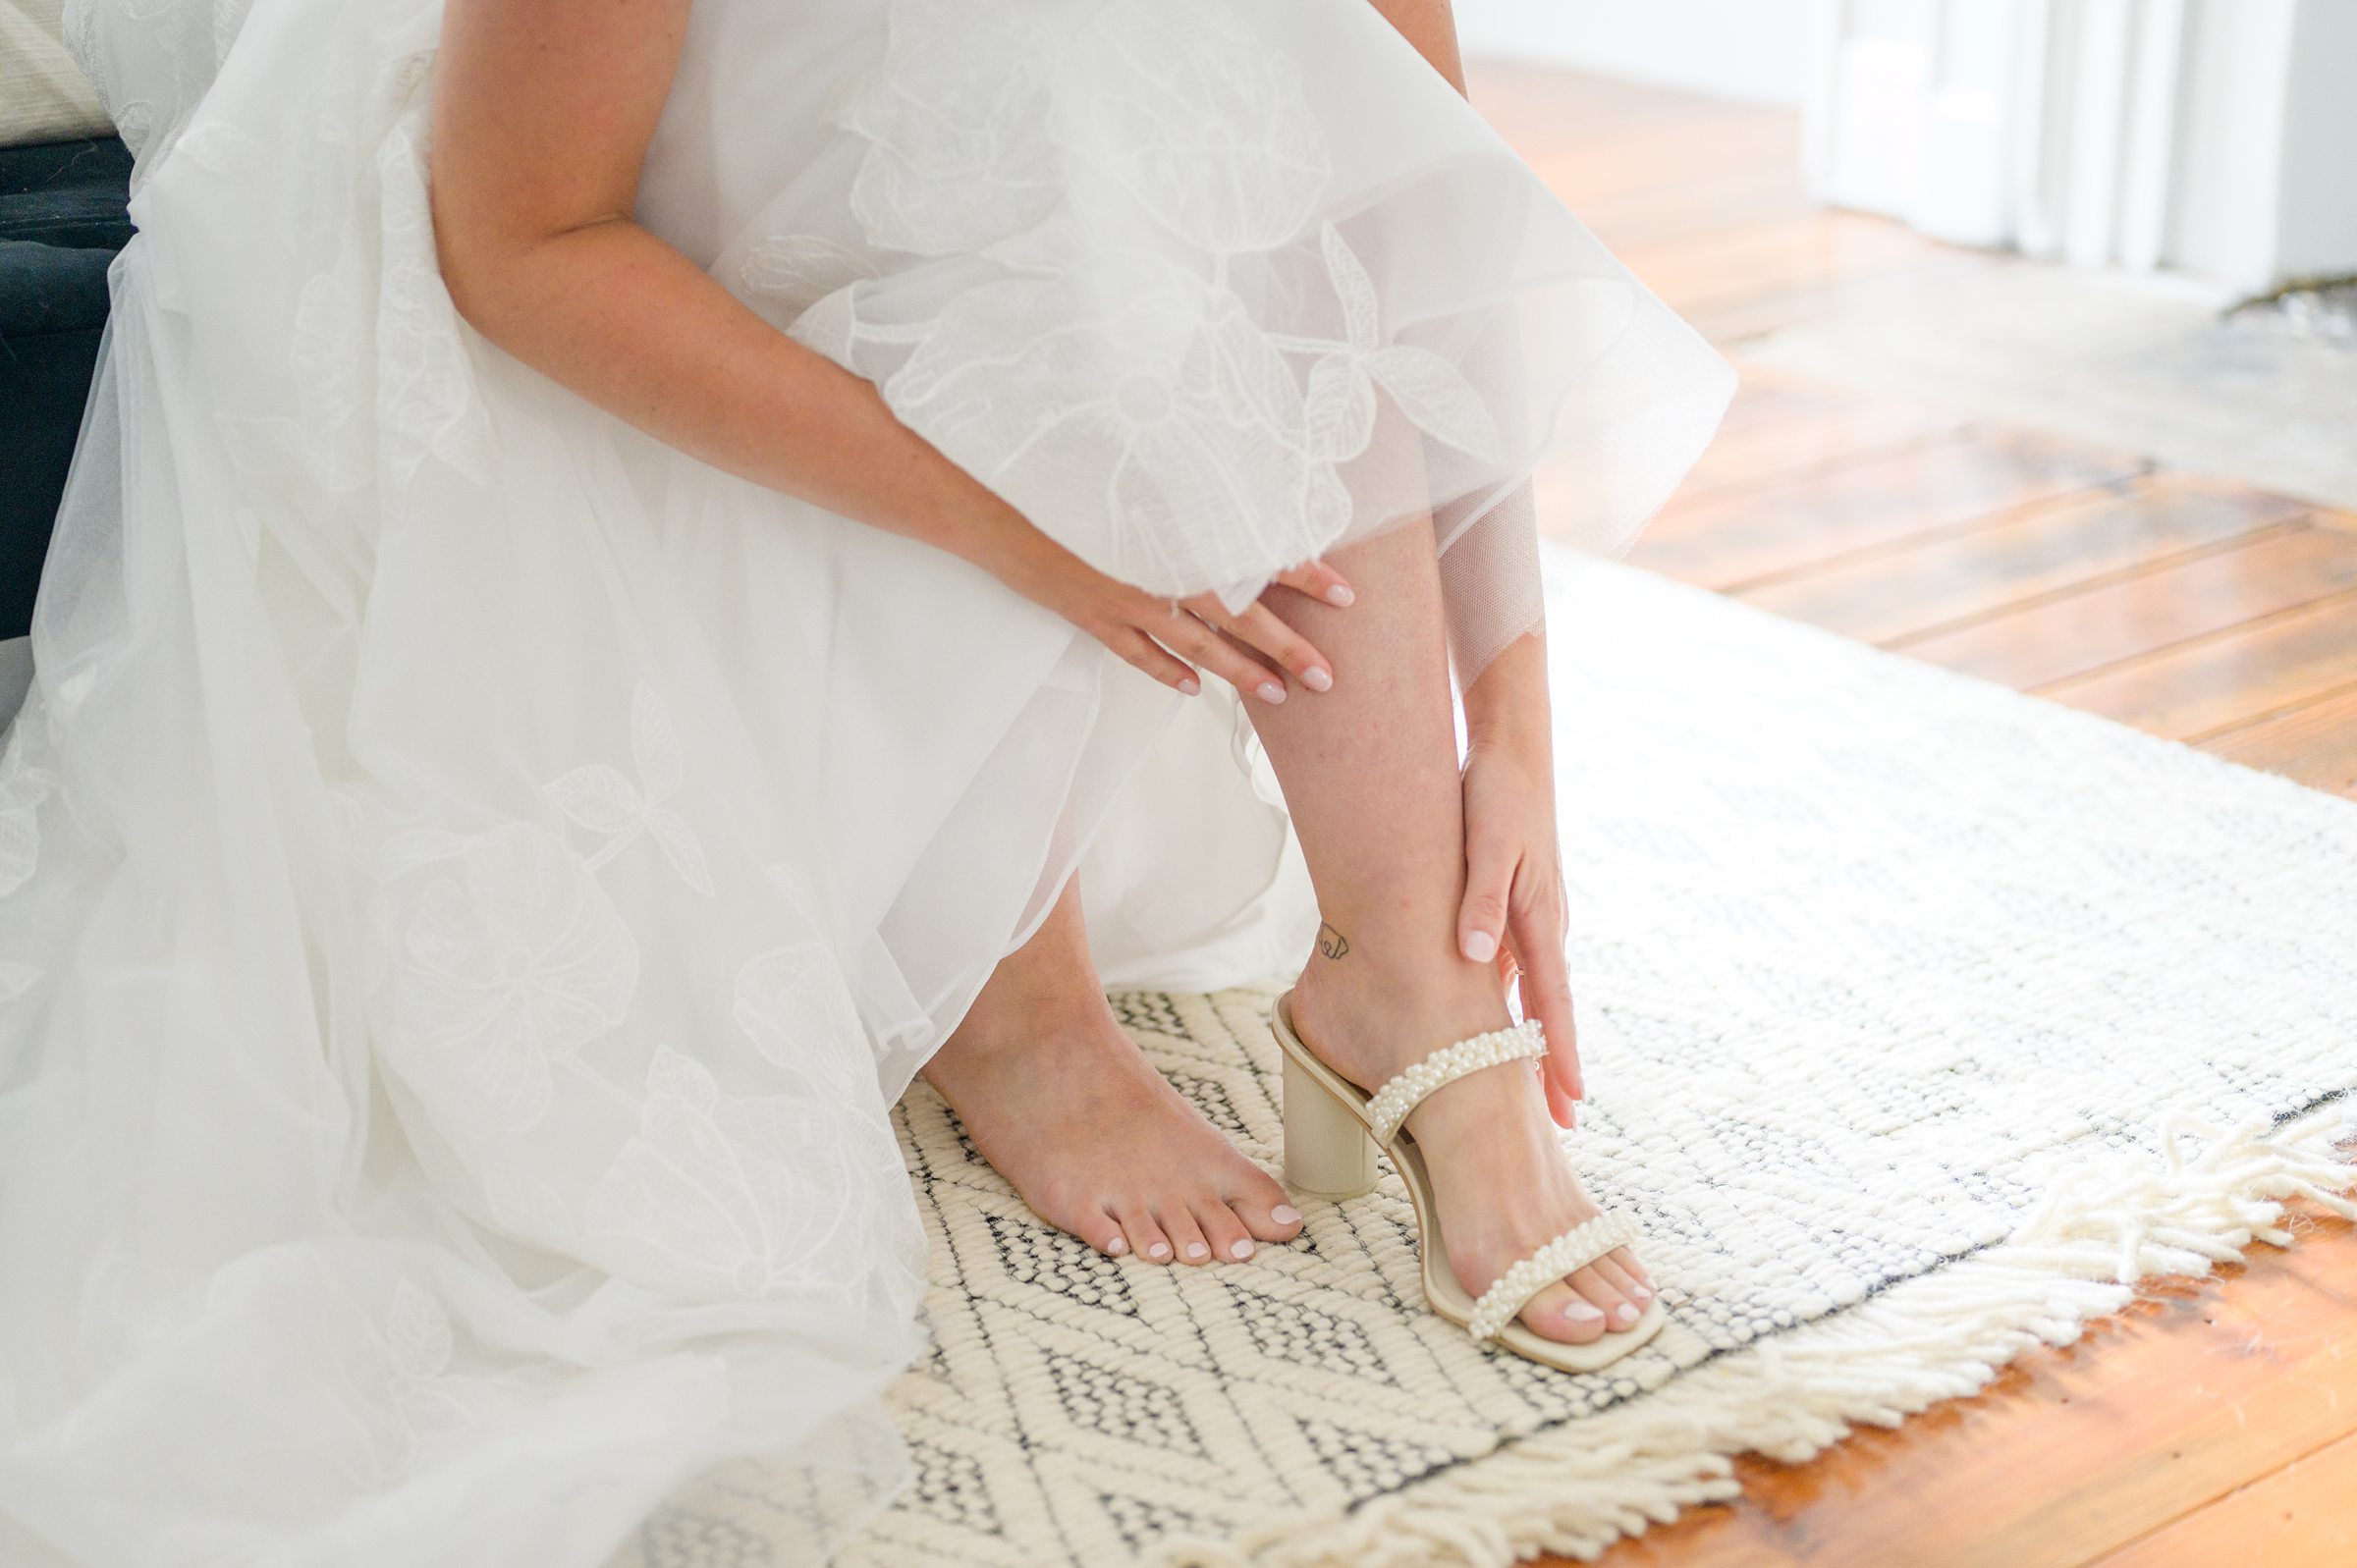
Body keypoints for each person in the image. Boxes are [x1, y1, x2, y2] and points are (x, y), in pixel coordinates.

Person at [0, 0, 1734, 1562]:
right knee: (1036, 92)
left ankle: (1412, 976)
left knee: (1229, 58)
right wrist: (1024, 529)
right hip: (544, 158)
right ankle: (1018, 989)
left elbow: (1409, 182)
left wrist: (1512, 724)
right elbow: (516, 241)